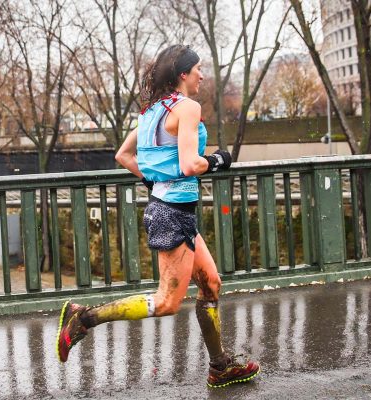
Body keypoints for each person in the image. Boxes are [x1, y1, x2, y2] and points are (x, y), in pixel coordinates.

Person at [55, 45, 260, 388]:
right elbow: (190, 165)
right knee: (166, 302)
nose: (202, 75)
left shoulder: (151, 112)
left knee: (211, 282)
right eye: (198, 69)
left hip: (170, 210)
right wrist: (220, 160)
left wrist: (157, 179)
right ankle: (84, 317)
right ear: (183, 74)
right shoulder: (187, 107)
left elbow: (123, 155)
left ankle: (221, 366)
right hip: (172, 214)